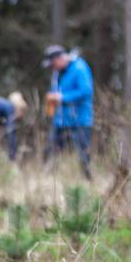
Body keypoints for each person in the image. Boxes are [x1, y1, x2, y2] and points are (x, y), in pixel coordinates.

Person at [42, 45, 94, 179]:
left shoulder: (80, 68)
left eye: (53, 64)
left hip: (80, 120)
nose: (53, 68)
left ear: (60, 58)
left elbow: (86, 91)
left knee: (83, 154)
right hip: (60, 120)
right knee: (51, 150)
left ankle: (87, 180)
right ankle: (48, 180)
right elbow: (56, 91)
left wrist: (62, 97)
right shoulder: (57, 73)